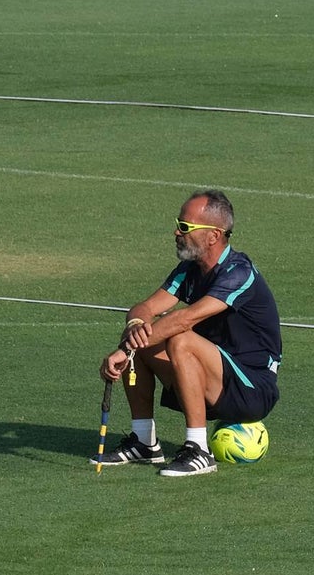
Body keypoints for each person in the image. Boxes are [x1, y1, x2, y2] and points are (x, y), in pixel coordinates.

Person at [92, 190, 282, 476]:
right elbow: (145, 307)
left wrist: (125, 349)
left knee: (178, 338)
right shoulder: (188, 270)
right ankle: (144, 442)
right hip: (208, 378)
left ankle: (199, 450)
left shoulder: (239, 273)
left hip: (251, 389)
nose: (176, 232)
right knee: (142, 333)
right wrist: (134, 329)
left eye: (185, 227)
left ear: (213, 236)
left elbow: (185, 319)